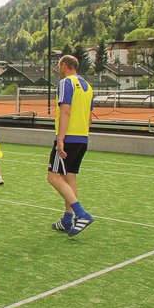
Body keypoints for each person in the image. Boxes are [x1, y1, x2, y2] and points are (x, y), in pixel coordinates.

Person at [48, 55, 95, 237]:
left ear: (65, 66)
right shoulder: (88, 87)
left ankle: (82, 214)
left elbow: (65, 110)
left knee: (53, 177)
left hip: (68, 138)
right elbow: (90, 117)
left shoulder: (66, 83)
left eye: (59, 66)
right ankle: (68, 219)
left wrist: (60, 139)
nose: (59, 69)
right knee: (70, 178)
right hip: (82, 137)